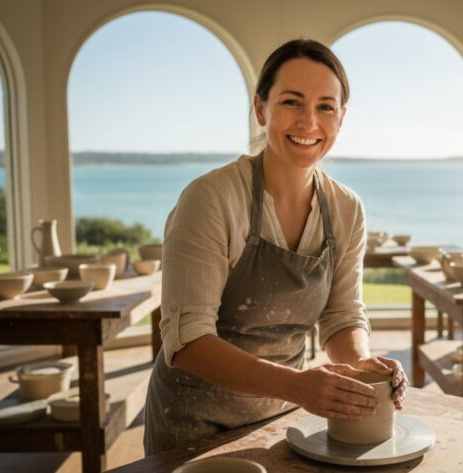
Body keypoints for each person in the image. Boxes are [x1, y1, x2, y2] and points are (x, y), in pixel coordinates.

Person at [144, 38, 408, 455]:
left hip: (282, 421)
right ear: (261, 108)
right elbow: (187, 341)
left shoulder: (345, 208)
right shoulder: (210, 199)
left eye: (325, 106)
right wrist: (298, 386)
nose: (309, 122)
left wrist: (360, 364)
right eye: (291, 102)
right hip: (191, 424)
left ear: (341, 117)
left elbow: (341, 314)